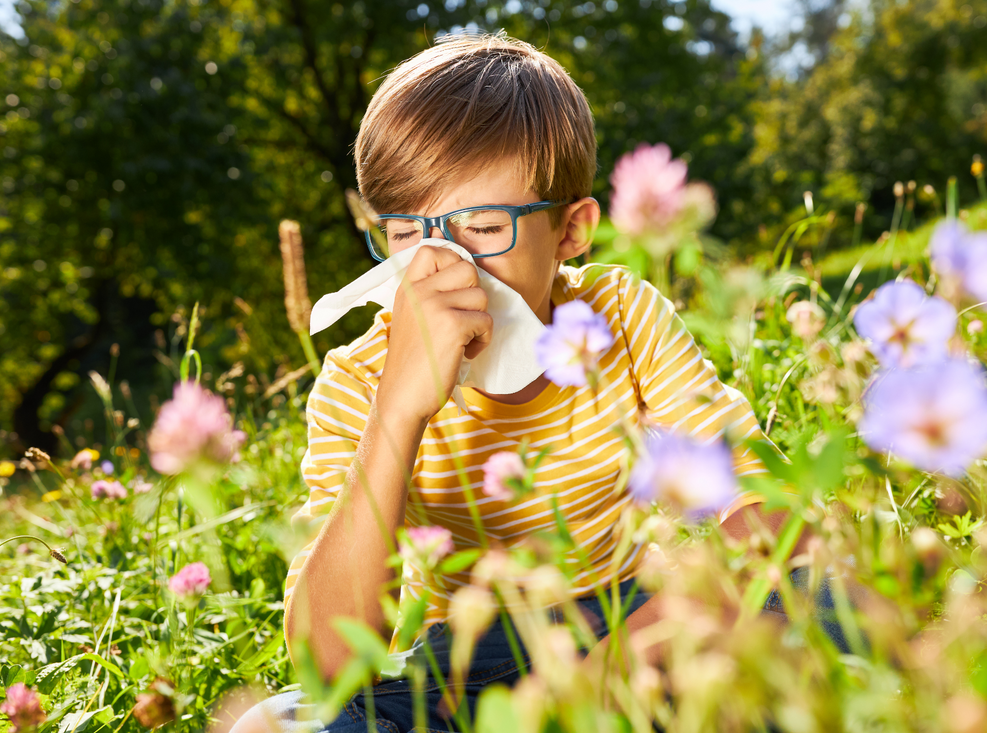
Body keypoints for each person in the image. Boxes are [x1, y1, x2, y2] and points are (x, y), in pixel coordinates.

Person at [231, 32, 821, 733]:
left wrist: (611, 671)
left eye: (483, 227)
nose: (447, 267)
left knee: (796, 614)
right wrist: (398, 411)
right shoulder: (358, 377)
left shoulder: (619, 319)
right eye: (406, 234)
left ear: (572, 230)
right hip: (459, 665)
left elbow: (774, 518)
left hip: (629, 627)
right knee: (275, 723)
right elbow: (326, 662)